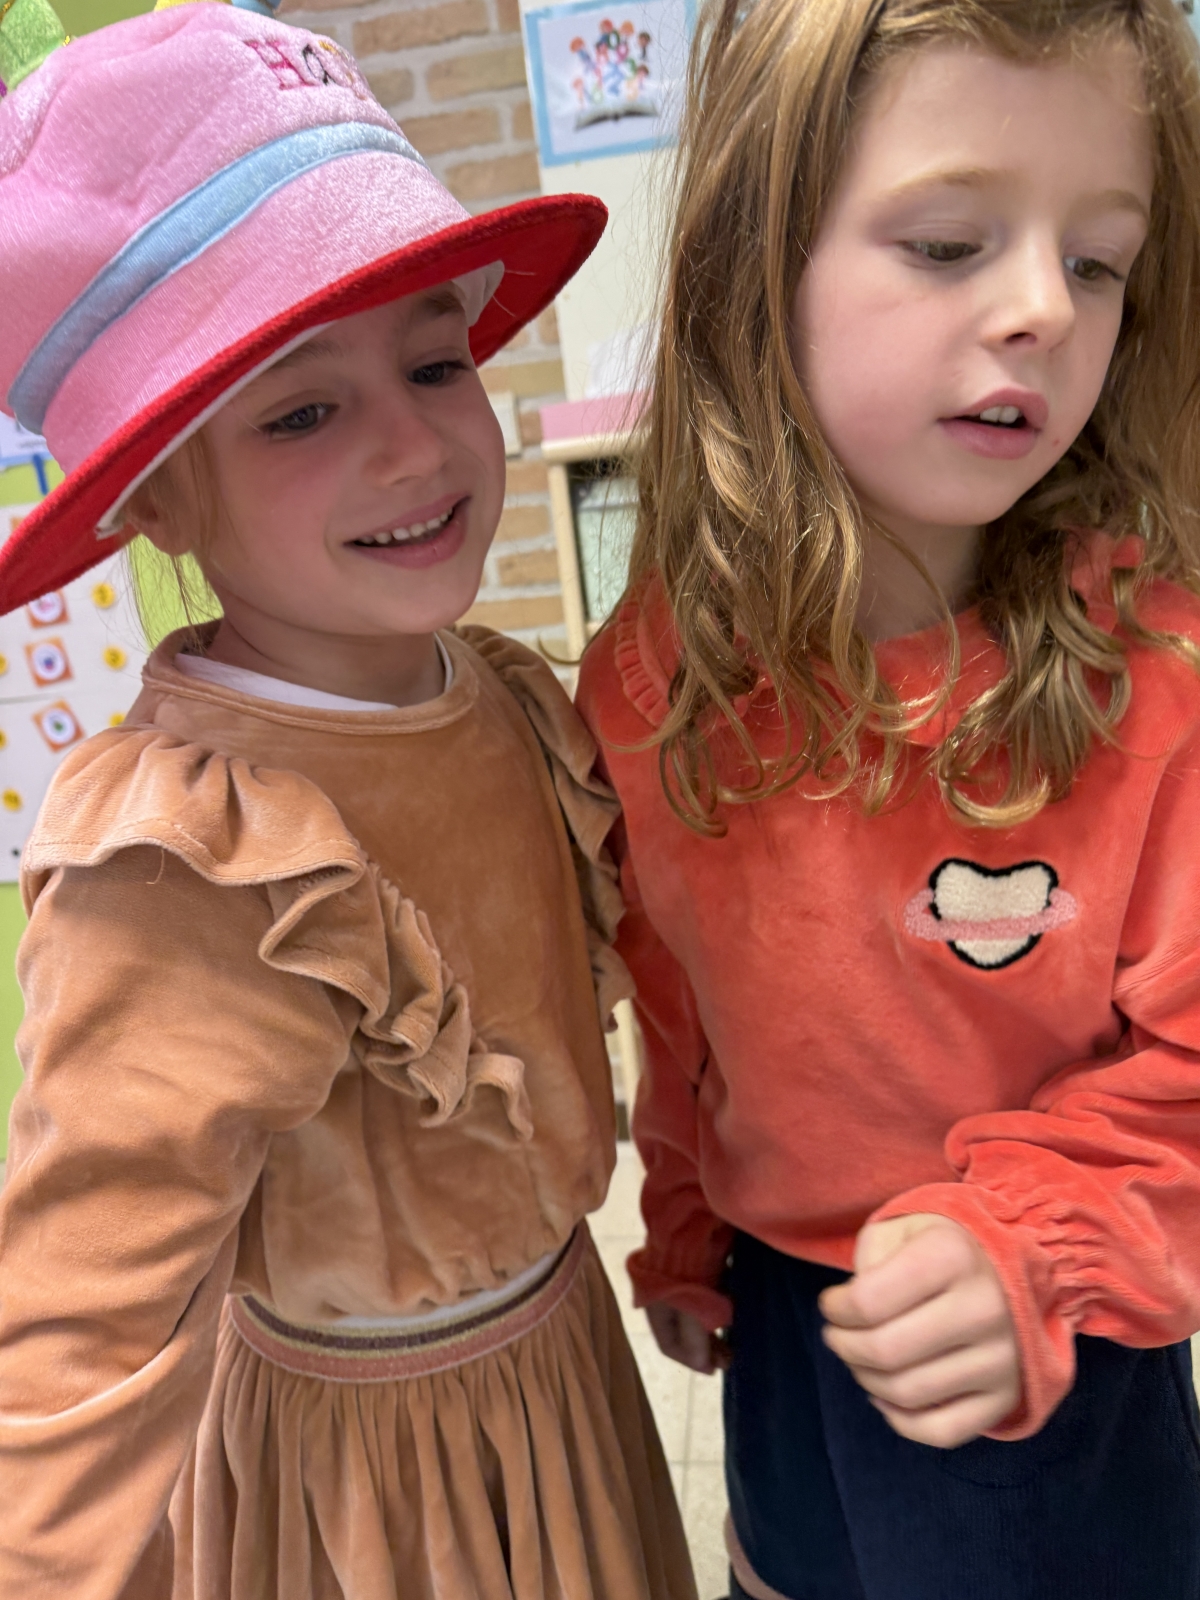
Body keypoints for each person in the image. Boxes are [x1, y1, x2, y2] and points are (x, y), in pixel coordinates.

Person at [0, 5, 697, 1597]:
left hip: (564, 1362)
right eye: (302, 411)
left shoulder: (506, 696)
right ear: (155, 492)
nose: (413, 442)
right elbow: (77, 1338)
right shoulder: (193, 853)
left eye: (436, 361)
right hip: (372, 1481)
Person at [576, 0, 1200, 1596]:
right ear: (755, 261)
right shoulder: (647, 685)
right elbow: (683, 1007)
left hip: (1057, 1344)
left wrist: (1036, 1251)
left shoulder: (1163, 673)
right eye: (945, 244)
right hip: (786, 1325)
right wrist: (686, 1224)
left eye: (1101, 262)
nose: (1043, 309)